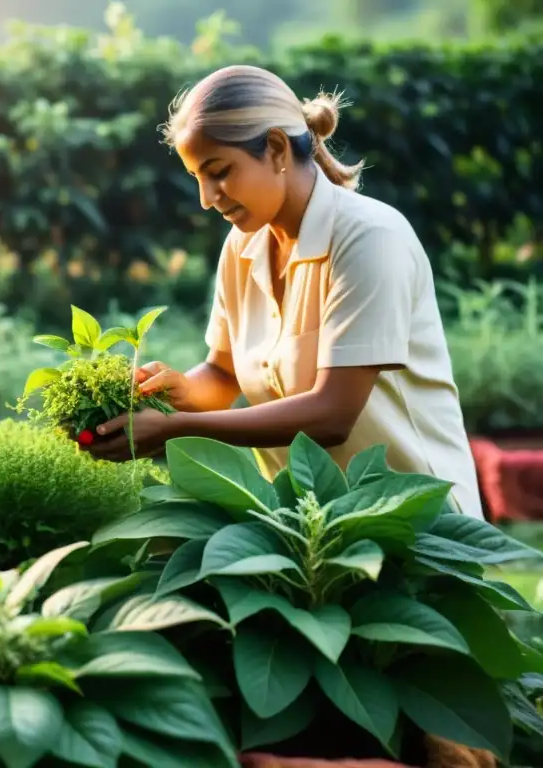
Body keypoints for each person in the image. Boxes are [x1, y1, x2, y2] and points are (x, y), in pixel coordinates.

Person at [87, 64, 483, 519]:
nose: (206, 197)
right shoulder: (244, 245)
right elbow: (222, 377)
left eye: (218, 172)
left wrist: (172, 430)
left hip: (420, 528)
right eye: (197, 177)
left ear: (275, 148)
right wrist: (172, 392)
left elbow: (332, 415)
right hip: (308, 530)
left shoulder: (369, 238)